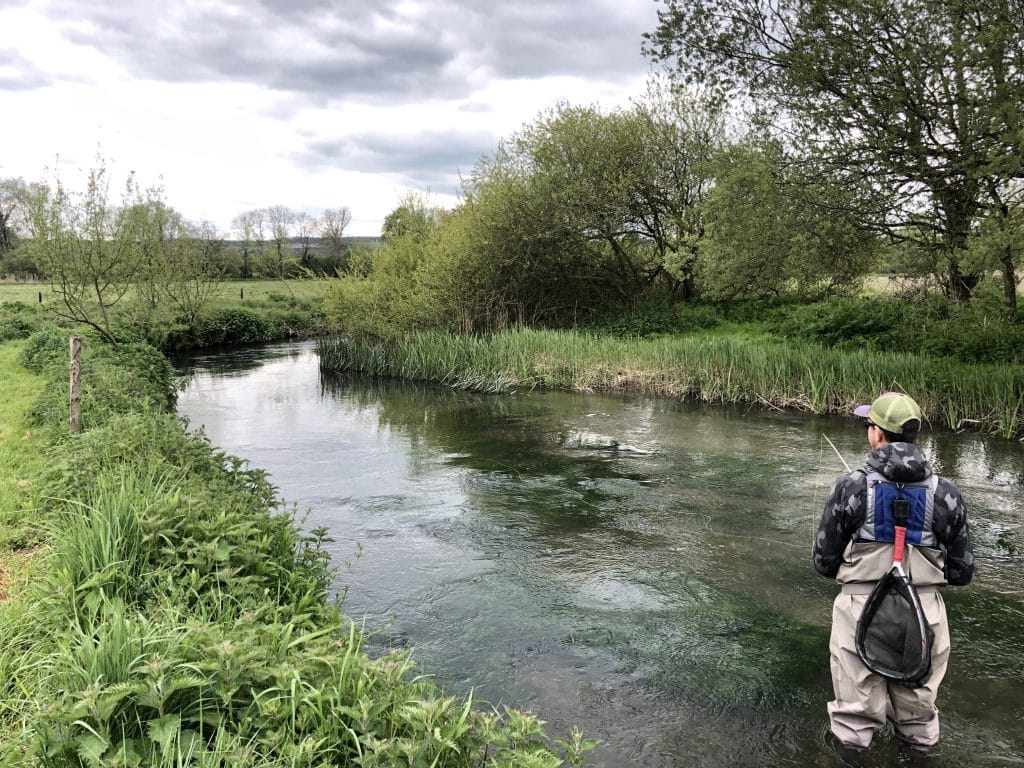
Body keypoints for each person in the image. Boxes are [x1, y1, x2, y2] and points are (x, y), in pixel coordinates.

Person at [812, 392, 974, 762]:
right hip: (924, 612)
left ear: (877, 434)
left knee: (855, 722)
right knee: (918, 717)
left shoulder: (849, 487)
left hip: (859, 609)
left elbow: (823, 562)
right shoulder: (947, 493)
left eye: (870, 425)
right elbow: (962, 572)